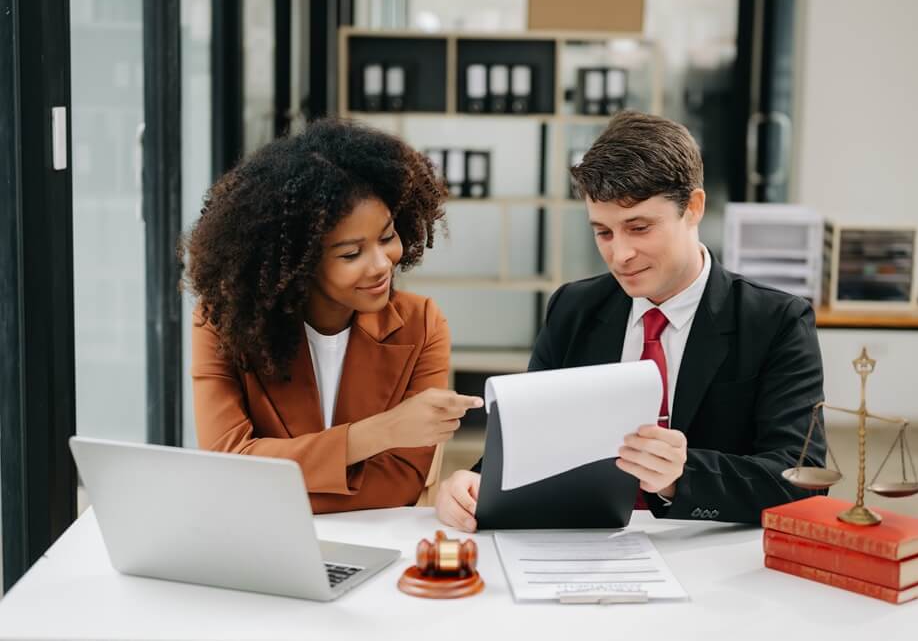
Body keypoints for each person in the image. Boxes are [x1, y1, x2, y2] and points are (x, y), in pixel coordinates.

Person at [435, 111, 826, 531]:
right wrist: (472, 481)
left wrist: (682, 476)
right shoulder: (574, 308)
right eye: (603, 232)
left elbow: (800, 481)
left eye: (639, 228)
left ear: (693, 208)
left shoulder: (776, 321)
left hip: (710, 553)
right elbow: (525, 442)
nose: (619, 255)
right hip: (582, 543)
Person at [183, 118, 482, 514]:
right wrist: (385, 430)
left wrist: (271, 475)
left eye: (387, 236)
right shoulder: (221, 324)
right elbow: (229, 463)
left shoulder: (421, 325)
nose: (381, 265)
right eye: (350, 254)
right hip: (259, 544)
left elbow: (401, 483)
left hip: (376, 547)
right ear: (296, 264)